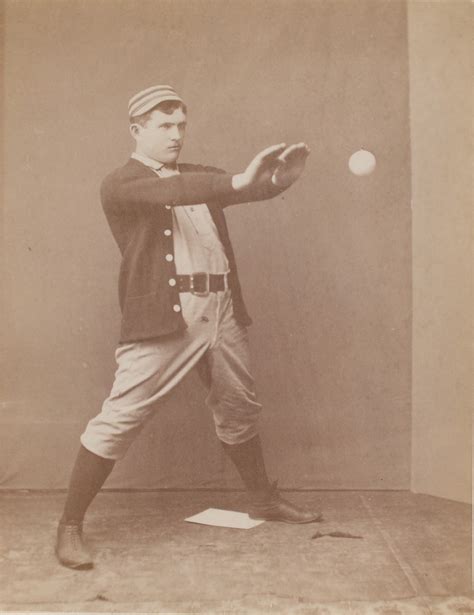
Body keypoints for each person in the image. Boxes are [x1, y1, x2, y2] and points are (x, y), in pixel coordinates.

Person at [55, 85, 322, 570]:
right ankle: (69, 525)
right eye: (164, 125)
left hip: (220, 306)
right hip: (167, 314)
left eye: (181, 124)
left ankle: (262, 498)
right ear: (137, 130)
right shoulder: (122, 182)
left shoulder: (197, 176)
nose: (176, 134)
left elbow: (239, 187)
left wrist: (281, 180)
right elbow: (180, 191)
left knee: (239, 404)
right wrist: (242, 180)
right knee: (120, 417)